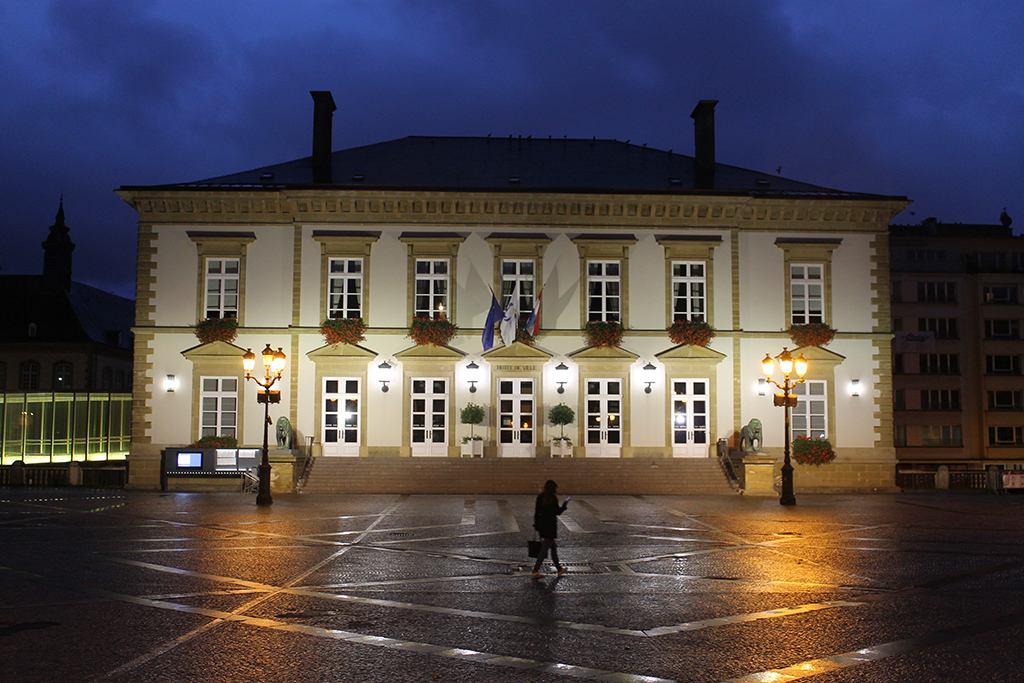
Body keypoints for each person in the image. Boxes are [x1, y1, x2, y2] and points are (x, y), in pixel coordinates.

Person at [532, 479, 568, 578]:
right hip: (551, 526)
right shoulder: (553, 498)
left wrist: (536, 524)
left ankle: (559, 569)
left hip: (542, 526)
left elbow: (536, 512)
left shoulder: (540, 497)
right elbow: (558, 512)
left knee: (553, 548)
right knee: (544, 549)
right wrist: (564, 505)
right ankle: (535, 570)